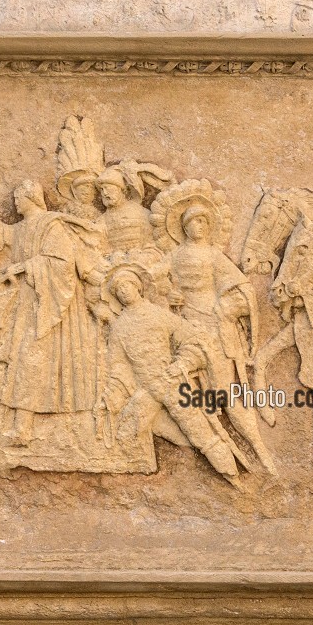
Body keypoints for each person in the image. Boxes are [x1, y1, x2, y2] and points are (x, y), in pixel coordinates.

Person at [166, 191, 276, 472]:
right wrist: (169, 297)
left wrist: (222, 306)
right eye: (192, 222)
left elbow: (244, 291)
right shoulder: (173, 256)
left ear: (209, 226)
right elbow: (159, 288)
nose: (197, 227)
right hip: (181, 325)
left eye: (203, 222)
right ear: (183, 227)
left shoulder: (214, 256)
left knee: (226, 392)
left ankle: (259, 449)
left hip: (212, 327)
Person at [101, 265, 240, 481]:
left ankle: (232, 475)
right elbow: (118, 367)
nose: (123, 291)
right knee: (126, 431)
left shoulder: (159, 315)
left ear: (138, 287)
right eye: (118, 289)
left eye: (127, 285)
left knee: (201, 432)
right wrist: (111, 395)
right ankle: (135, 484)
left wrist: (183, 364)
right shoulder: (119, 327)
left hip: (171, 382)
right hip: (147, 389)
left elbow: (193, 340)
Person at [0, 183, 108, 443]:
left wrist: (26, 267)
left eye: (18, 197)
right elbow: (3, 236)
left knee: (32, 358)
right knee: (23, 358)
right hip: (28, 304)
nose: (15, 203)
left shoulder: (50, 225)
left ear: (31, 197)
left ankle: (26, 428)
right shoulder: (23, 227)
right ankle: (24, 427)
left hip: (49, 306)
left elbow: (62, 262)